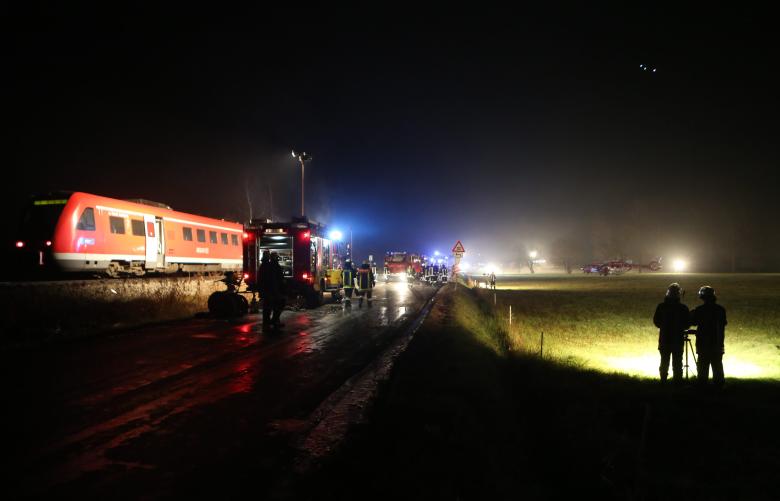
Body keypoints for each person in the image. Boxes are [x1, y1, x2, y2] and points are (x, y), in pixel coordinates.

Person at [653, 283, 690, 384]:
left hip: (664, 339)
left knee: (664, 361)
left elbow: (656, 322)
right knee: (677, 362)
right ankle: (677, 382)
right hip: (678, 340)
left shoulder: (661, 306)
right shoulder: (683, 308)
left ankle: (663, 381)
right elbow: (687, 324)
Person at [691, 285, 727, 388]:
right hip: (717, 342)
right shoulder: (721, 309)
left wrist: (692, 314)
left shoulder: (700, 309)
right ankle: (719, 385)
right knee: (717, 365)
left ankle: (702, 385)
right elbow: (723, 323)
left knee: (702, 365)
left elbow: (693, 322)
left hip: (703, 342)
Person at [259, 251, 285, 329]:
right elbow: (273, 279)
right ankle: (273, 321)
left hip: (268, 289)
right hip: (271, 290)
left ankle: (270, 322)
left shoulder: (265, 265)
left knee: (269, 307)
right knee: (276, 305)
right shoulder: (270, 266)